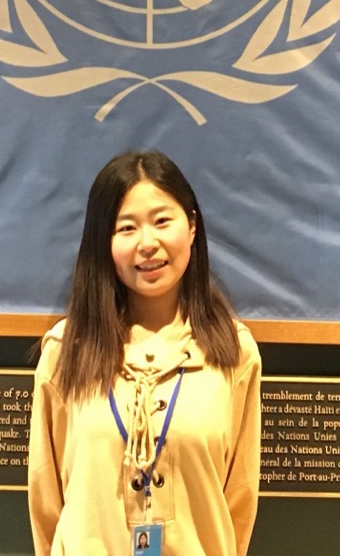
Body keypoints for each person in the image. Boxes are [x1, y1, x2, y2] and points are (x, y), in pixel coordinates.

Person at [28, 149, 262, 556]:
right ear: (105, 242)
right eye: (126, 228)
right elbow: (46, 504)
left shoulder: (234, 353)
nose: (147, 243)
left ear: (191, 227)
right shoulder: (65, 351)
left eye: (162, 221)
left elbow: (239, 502)